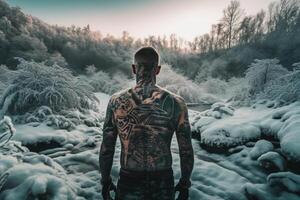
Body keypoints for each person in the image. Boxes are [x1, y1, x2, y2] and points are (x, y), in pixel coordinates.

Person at [99, 47, 194, 200]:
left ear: (133, 69)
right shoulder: (177, 103)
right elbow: (186, 150)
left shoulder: (116, 101)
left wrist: (105, 181)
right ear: (158, 69)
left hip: (129, 179)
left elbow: (106, 148)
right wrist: (184, 183)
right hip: (163, 181)